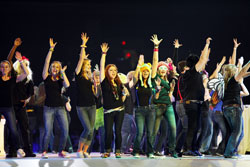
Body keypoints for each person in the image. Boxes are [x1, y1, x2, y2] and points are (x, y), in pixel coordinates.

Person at [7, 38, 36, 157]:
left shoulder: (27, 80)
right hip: (11, 105)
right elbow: (8, 60)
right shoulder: (13, 76)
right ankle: (12, 150)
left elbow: (31, 93)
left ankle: (28, 150)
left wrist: (28, 100)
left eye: (24, 64)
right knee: (12, 129)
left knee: (25, 128)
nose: (22, 65)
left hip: (21, 106)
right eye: (19, 64)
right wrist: (14, 47)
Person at [41, 38, 70, 158]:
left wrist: (63, 73)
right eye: (53, 67)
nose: (55, 69)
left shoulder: (61, 79)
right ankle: (44, 151)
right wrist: (51, 49)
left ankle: (61, 151)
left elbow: (67, 85)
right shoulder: (46, 77)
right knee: (48, 131)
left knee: (65, 130)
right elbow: (46, 62)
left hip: (60, 108)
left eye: (57, 67)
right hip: (48, 108)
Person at [99, 43, 129, 158]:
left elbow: (123, 96)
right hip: (108, 111)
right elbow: (102, 67)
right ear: (107, 72)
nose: (113, 72)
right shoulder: (104, 81)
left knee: (118, 131)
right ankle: (107, 150)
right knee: (108, 132)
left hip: (119, 109)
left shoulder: (119, 83)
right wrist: (104, 54)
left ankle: (117, 150)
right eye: (111, 70)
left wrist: (124, 95)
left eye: (115, 70)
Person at [0, 50, 29, 158]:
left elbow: (26, 74)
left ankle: (18, 148)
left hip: (8, 107)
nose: (4, 68)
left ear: (10, 68)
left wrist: (21, 61)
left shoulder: (13, 80)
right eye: (2, 67)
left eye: (6, 67)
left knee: (13, 129)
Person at [74, 33, 97, 158]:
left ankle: (85, 151)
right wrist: (83, 46)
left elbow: (94, 93)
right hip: (81, 106)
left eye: (89, 65)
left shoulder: (90, 78)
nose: (89, 66)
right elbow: (80, 60)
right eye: (87, 65)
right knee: (87, 129)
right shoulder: (78, 75)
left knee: (91, 130)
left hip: (91, 105)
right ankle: (79, 150)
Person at [132, 54, 156, 158]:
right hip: (139, 110)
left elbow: (155, 63)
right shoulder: (137, 83)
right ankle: (136, 151)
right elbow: (134, 75)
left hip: (150, 110)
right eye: (144, 71)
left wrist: (156, 48)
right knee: (140, 132)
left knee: (150, 133)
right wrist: (139, 64)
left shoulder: (151, 83)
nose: (145, 73)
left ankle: (150, 152)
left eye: (147, 71)